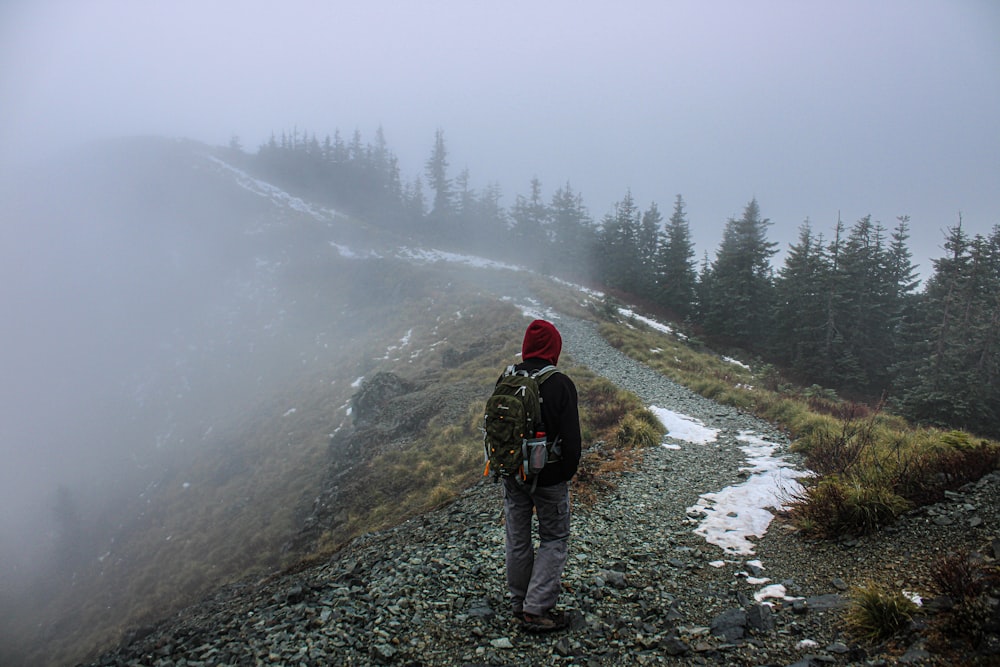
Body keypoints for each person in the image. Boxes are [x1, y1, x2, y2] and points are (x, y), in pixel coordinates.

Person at [502, 319, 582, 633]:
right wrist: (563, 473)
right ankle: (536, 610)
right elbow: (572, 441)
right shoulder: (560, 382)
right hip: (549, 478)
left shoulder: (508, 378)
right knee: (554, 538)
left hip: (512, 472)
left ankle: (519, 602)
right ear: (554, 348)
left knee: (517, 539)